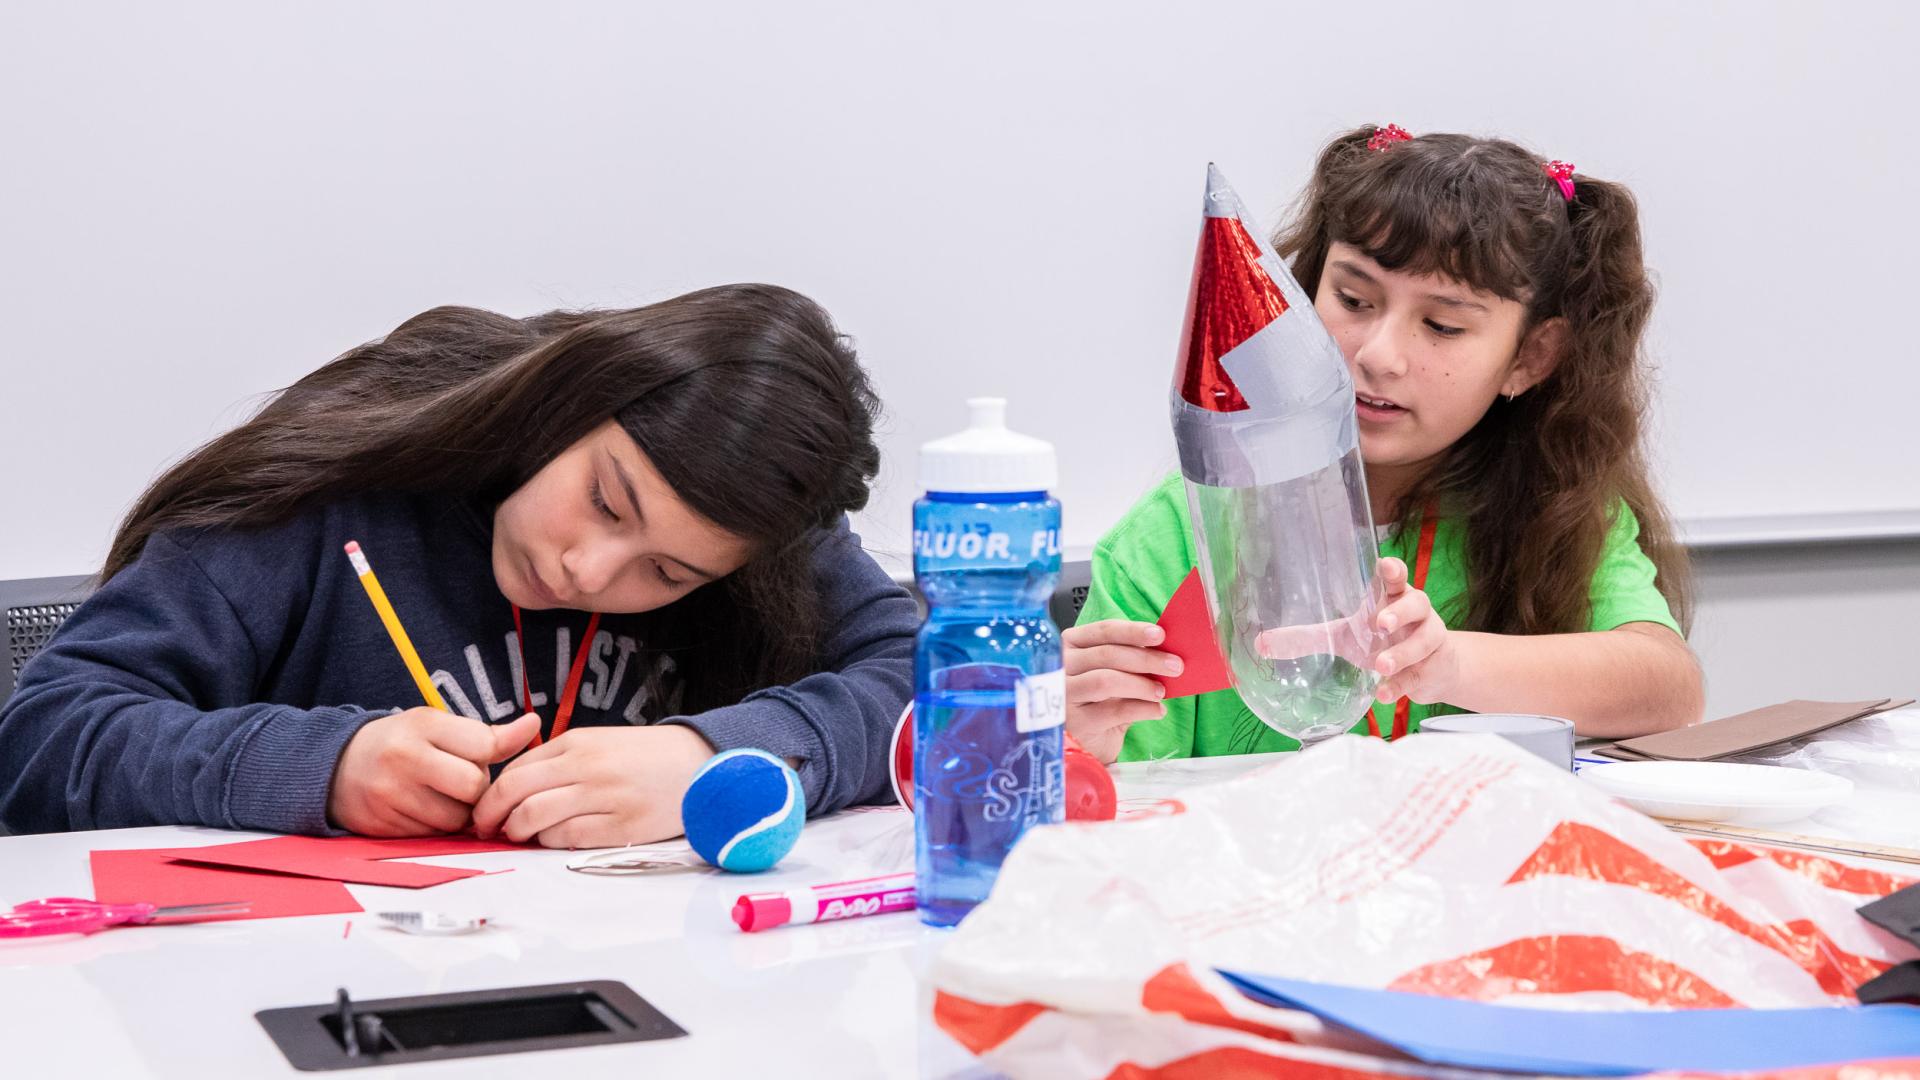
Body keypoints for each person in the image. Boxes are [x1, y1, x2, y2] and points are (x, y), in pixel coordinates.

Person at [0, 284, 917, 847]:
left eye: (669, 575)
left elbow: (941, 684)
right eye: (606, 500)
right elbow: (43, 738)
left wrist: (707, 761)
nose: (589, 572)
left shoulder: (750, 526)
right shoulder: (339, 483)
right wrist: (324, 765)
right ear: (570, 400)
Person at [1065, 125, 1703, 763]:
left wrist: (1447, 661)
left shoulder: (1557, 513)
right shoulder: (1175, 535)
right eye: (1352, 298)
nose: (1379, 355)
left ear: (1531, 357)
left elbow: (1668, 689)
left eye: (1443, 325)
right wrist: (1081, 739)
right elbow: (1113, 798)